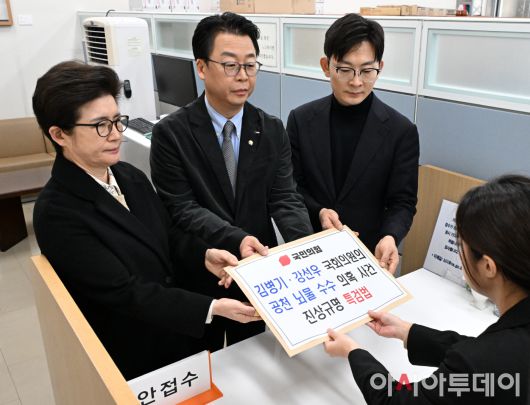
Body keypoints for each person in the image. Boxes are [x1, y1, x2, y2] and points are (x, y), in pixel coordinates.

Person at [32, 61, 261, 380]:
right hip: (135, 348)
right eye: (100, 126)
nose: (116, 135)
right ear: (59, 134)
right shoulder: (57, 212)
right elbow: (124, 292)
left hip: (177, 331)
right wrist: (211, 308)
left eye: (117, 121)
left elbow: (167, 234)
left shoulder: (128, 175)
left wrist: (204, 255)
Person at [150, 12, 313, 350]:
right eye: (230, 65)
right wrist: (236, 238)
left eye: (250, 65)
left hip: (257, 270)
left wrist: (307, 250)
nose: (243, 77)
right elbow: (181, 207)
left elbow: (285, 197)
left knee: (253, 357)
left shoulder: (271, 128)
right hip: (203, 270)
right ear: (201, 67)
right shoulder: (171, 134)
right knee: (202, 361)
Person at [324, 175, 530, 404]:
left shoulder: (483, 360)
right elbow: (483, 360)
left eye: (461, 246)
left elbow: (397, 401)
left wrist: (353, 352)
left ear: (488, 266)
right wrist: (407, 332)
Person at [287, 14, 419, 274]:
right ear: (326, 66)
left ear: (380, 67)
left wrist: (390, 236)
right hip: (309, 249)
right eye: (345, 69)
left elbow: (402, 201)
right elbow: (290, 186)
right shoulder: (301, 120)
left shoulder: (401, 131)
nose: (356, 82)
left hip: (368, 255)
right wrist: (319, 211)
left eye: (367, 71)